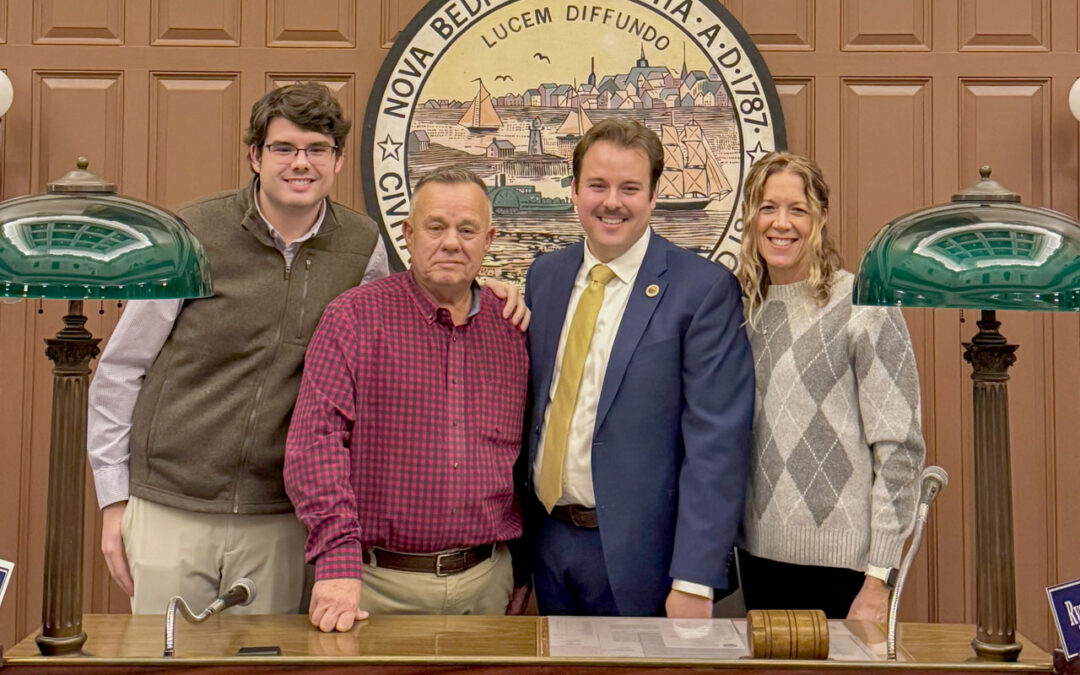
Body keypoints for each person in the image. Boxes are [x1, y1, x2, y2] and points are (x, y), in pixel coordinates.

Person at [87, 83, 526, 615]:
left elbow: (424, 309)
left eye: (317, 150)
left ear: (338, 159)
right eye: (284, 149)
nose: (301, 164)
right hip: (174, 505)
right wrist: (114, 502)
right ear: (255, 155)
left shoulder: (362, 246)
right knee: (167, 657)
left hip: (280, 516)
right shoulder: (191, 235)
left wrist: (496, 288)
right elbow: (120, 371)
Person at [521, 117, 754, 617]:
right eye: (598, 185)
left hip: (645, 558)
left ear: (652, 196)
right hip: (547, 544)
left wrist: (695, 575)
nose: (612, 202)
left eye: (630, 188)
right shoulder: (545, 276)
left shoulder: (702, 290)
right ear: (575, 190)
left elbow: (717, 443)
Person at [284, 167, 530, 633]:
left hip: (486, 586)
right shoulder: (355, 318)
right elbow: (314, 446)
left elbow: (527, 459)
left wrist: (524, 566)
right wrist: (336, 562)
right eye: (436, 227)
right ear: (409, 234)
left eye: (468, 230)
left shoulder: (512, 329)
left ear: (489, 239)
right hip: (374, 587)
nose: (452, 242)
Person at [735, 152, 926, 620]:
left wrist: (880, 575)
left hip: (845, 570)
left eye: (797, 209)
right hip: (757, 560)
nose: (782, 223)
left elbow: (901, 449)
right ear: (750, 218)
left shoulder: (864, 305)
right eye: (767, 207)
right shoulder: (741, 312)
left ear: (820, 217)